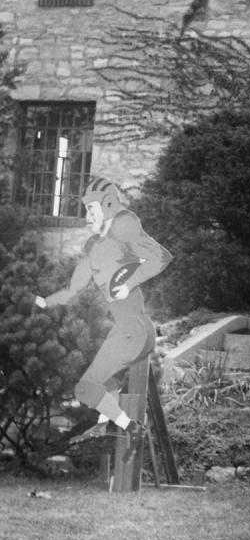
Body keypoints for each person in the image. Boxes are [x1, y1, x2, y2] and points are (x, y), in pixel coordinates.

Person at [35, 177, 172, 432]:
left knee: (85, 388)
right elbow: (72, 291)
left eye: (90, 209)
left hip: (133, 329)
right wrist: (42, 302)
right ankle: (106, 427)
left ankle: (126, 427)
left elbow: (161, 257)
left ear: (108, 205)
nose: (87, 216)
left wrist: (130, 283)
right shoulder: (93, 251)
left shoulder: (124, 226)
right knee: (107, 385)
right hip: (127, 329)